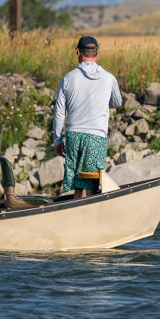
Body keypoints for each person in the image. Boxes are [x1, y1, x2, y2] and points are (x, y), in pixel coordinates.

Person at [53, 36, 122, 198]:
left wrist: (57, 140)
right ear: (97, 53)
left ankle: (76, 217)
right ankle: (88, 219)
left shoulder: (68, 78)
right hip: (96, 136)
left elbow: (59, 113)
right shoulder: (109, 78)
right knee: (91, 183)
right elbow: (117, 102)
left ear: (78, 53)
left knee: (78, 183)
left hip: (73, 135)